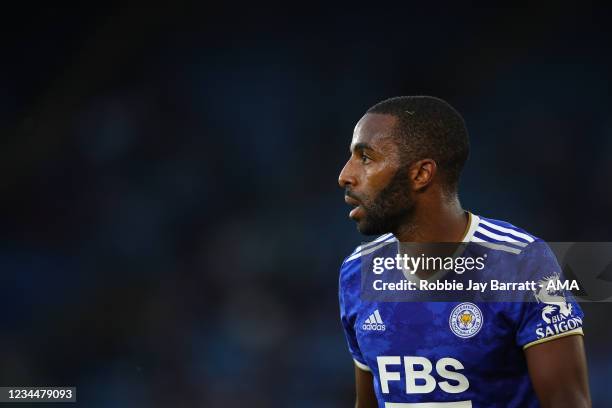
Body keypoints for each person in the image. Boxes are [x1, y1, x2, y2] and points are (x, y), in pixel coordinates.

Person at [337, 96, 591, 407]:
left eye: (365, 158)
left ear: (421, 174)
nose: (345, 175)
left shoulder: (521, 263)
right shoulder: (358, 272)